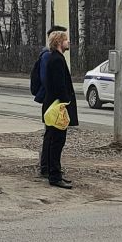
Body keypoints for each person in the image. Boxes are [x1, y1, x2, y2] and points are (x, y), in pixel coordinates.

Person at [42, 30, 78, 189]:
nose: (68, 42)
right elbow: (59, 85)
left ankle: (52, 172)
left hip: (52, 105)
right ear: (58, 42)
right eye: (66, 40)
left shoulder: (54, 58)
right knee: (57, 141)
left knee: (52, 140)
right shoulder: (57, 60)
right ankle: (55, 176)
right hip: (57, 107)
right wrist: (66, 101)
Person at [35, 25, 67, 177]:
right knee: (53, 136)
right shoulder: (50, 57)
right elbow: (48, 80)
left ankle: (48, 167)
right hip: (53, 103)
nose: (68, 42)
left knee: (51, 135)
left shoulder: (50, 56)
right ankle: (47, 168)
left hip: (51, 101)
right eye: (65, 38)